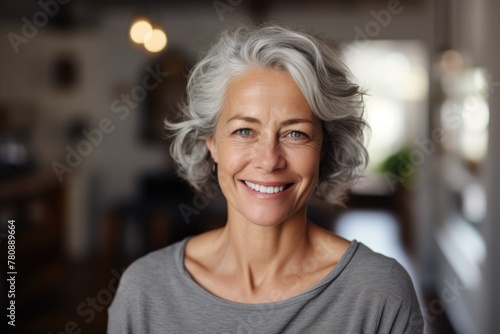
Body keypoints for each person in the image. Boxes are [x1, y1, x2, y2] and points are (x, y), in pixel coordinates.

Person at [107, 24, 424, 333]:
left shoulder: (379, 293)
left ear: (324, 148)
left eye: (296, 133)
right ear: (213, 145)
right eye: (244, 131)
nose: (269, 160)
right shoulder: (145, 289)